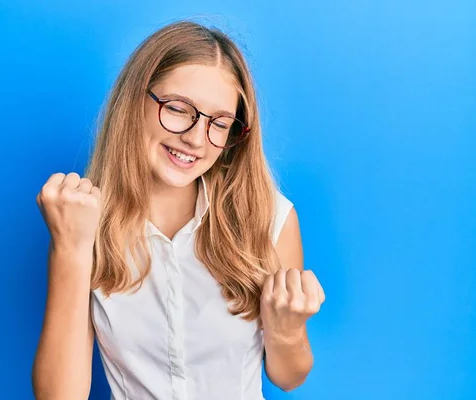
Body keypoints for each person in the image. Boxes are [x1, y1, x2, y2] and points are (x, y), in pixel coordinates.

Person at [31, 20, 325, 400]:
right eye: (178, 108)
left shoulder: (270, 220)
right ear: (134, 100)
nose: (195, 138)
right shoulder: (81, 222)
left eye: (219, 123)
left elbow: (289, 377)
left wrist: (287, 330)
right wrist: (70, 251)